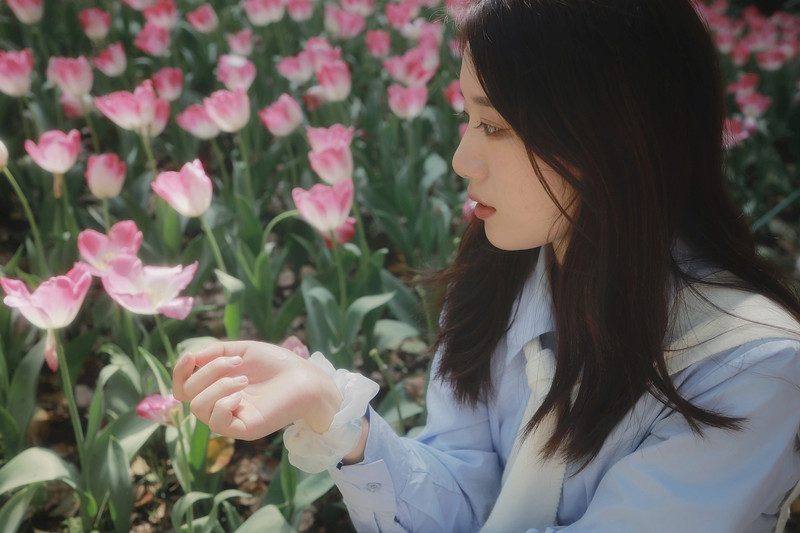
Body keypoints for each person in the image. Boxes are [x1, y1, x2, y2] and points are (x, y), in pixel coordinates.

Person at [172, 0, 800, 531]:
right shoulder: (505, 275)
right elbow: (468, 499)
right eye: (466, 118)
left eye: (495, 125)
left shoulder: (751, 370)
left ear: (612, 134)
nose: (461, 160)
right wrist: (330, 411)